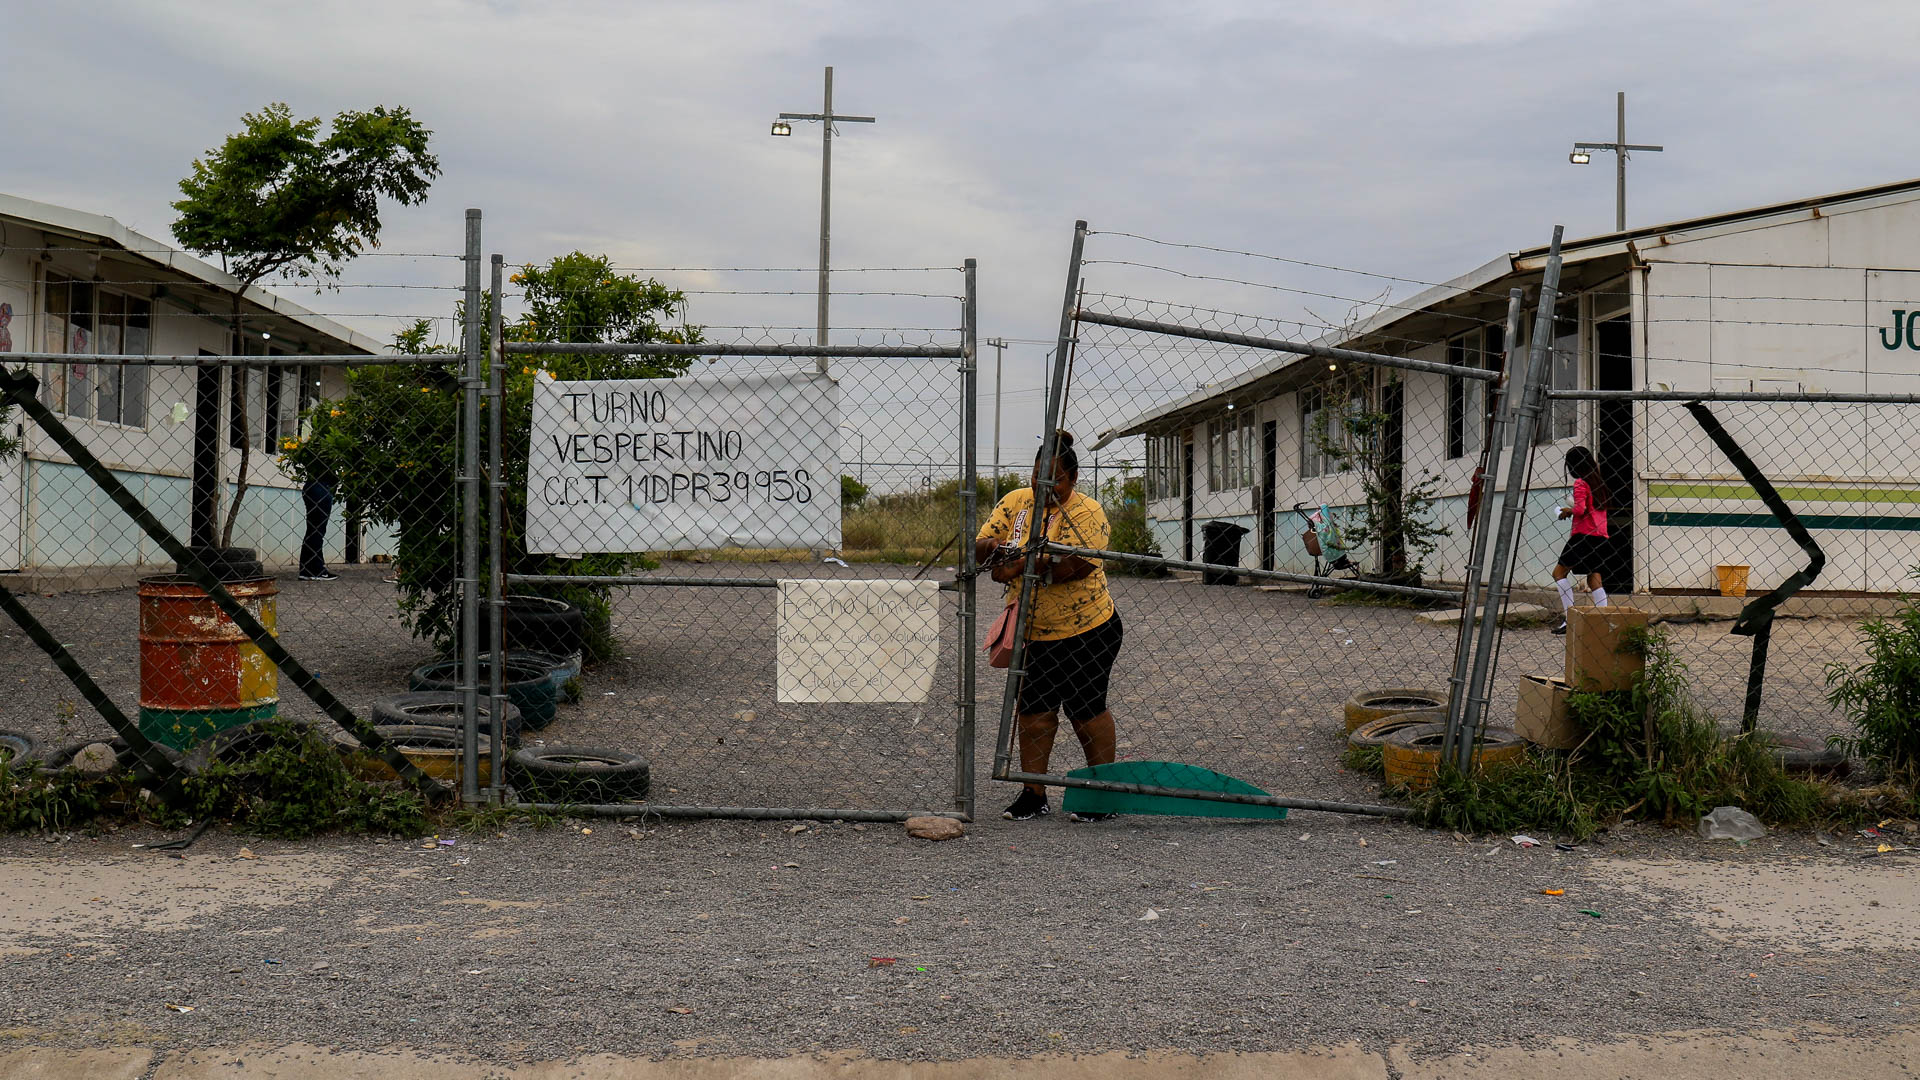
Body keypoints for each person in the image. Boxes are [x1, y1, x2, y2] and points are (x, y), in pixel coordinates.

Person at [973, 431, 1124, 822]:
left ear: (1072, 479)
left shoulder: (1087, 511)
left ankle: (1099, 795)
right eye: (1039, 477)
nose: (1045, 487)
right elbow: (983, 548)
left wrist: (1015, 560)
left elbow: (1074, 568)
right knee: (1034, 710)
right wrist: (1015, 556)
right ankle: (1032, 793)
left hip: (1087, 628)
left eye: (1054, 479)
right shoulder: (1016, 503)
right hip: (1034, 630)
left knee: (1085, 709)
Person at [1551, 445, 1609, 634]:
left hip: (1583, 536)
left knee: (1559, 573)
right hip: (1600, 537)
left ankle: (1569, 619)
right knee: (1594, 578)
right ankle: (1603, 621)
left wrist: (1566, 511)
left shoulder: (1581, 483)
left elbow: (1580, 510)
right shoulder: (1598, 483)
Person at [298, 464, 338, 582]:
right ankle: (315, 569)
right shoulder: (327, 451)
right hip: (321, 486)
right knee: (317, 530)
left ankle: (308, 569)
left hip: (313, 486)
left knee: (313, 530)